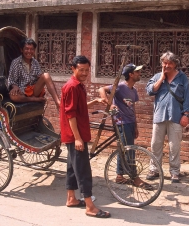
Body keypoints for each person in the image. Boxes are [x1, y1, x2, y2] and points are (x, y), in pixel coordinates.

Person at [60, 55, 110, 218]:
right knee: (83, 170)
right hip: (75, 134)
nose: (84, 73)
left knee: (72, 167)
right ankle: (90, 206)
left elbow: (79, 107)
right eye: (81, 70)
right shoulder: (73, 86)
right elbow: (71, 114)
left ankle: (71, 198)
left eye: (87, 70)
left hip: (75, 133)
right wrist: (77, 138)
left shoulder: (78, 86)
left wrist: (95, 101)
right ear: (73, 69)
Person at [99, 63, 152, 190]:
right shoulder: (120, 87)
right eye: (137, 72)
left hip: (130, 122)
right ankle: (134, 177)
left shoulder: (133, 91)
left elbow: (132, 107)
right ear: (131, 74)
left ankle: (119, 176)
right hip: (121, 122)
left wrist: (136, 125)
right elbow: (102, 90)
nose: (140, 74)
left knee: (124, 148)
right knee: (129, 150)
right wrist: (109, 104)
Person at [146, 51, 189, 183]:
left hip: (176, 116)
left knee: (174, 146)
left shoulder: (182, 78)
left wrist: (186, 114)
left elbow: (187, 97)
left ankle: (174, 172)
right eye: (164, 63)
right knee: (155, 145)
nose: (166, 66)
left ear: (175, 64)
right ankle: (154, 169)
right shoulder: (156, 77)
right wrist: (161, 78)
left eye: (169, 63)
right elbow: (150, 91)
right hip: (159, 116)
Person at [8, 38, 60, 109]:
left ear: (34, 50)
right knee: (13, 96)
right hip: (22, 92)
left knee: (46, 75)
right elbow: (11, 80)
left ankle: (57, 102)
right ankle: (33, 99)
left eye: (31, 49)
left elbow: (39, 76)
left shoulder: (35, 62)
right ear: (21, 50)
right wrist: (14, 86)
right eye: (26, 49)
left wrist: (40, 77)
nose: (29, 51)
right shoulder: (16, 62)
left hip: (34, 90)